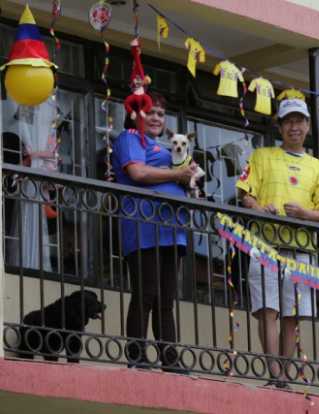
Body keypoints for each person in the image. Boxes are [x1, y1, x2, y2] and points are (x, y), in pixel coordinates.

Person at [236, 98, 319, 387]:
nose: (294, 127)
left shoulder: (318, 166)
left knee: (293, 315)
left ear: (307, 127)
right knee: (268, 310)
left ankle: (283, 378)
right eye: (288, 121)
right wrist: (258, 208)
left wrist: (304, 213)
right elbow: (244, 193)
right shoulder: (261, 156)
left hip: (301, 251)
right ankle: (274, 374)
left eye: (299, 121)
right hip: (265, 247)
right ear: (279, 126)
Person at [112, 92, 195, 371]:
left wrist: (190, 176)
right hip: (142, 228)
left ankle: (169, 359)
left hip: (173, 231)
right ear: (137, 114)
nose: (157, 118)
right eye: (152, 112)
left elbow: (181, 176)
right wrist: (177, 175)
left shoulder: (166, 147)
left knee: (166, 300)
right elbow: (138, 173)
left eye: (161, 113)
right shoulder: (130, 138)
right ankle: (136, 355)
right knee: (145, 294)